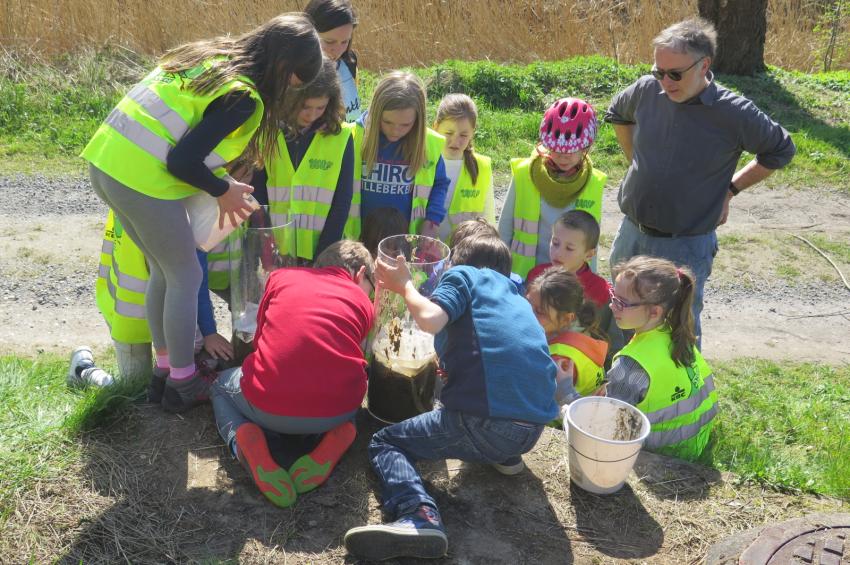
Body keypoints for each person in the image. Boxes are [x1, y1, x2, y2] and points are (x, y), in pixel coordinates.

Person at [80, 14, 322, 413]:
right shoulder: (244, 97)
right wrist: (223, 190)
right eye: (296, 82)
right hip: (139, 176)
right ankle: (183, 381)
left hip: (107, 162)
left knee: (164, 270)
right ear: (283, 68)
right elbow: (183, 160)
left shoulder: (209, 58)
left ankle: (163, 372)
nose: (292, 91)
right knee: (186, 275)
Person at [344, 234, 557, 561]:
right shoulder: (517, 297)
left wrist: (405, 286)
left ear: (455, 262)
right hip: (530, 429)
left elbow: (429, 320)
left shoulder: (465, 275)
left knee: (385, 443)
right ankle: (505, 457)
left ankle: (418, 515)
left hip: (487, 424)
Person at [604, 18, 796, 345]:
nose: (665, 81)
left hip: (684, 244)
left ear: (704, 65)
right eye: (659, 72)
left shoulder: (735, 113)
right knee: (622, 313)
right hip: (632, 232)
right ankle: (618, 385)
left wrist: (731, 190)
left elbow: (780, 150)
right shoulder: (646, 90)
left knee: (677, 324)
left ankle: (681, 393)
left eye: (675, 74)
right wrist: (637, 160)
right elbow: (619, 115)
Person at [211, 240, 375, 508]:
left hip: (268, 405)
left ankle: (243, 441)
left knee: (219, 385)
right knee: (349, 389)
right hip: (337, 410)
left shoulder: (281, 278)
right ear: (359, 274)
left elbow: (260, 339)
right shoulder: (362, 302)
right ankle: (340, 434)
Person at [68, 212, 233, 392]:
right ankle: (83, 370)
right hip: (131, 316)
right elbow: (189, 277)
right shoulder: (178, 209)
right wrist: (207, 333)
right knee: (134, 389)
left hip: (151, 307)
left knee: (161, 382)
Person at [605, 256, 718, 462]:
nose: (612, 306)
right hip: (696, 444)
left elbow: (610, 427)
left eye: (621, 302)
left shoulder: (630, 365)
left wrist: (568, 396)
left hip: (659, 456)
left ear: (654, 311)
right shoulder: (675, 333)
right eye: (613, 295)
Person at [250, 57, 354, 262]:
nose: (312, 115)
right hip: (276, 250)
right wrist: (265, 244)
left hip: (320, 251)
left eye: (320, 107)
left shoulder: (341, 138)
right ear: (289, 98)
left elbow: (341, 202)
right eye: (305, 107)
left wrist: (324, 254)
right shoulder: (266, 133)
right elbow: (258, 194)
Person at [498, 97, 607, 280]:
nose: (563, 158)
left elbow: (591, 243)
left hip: (566, 281)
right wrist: (499, 269)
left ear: (586, 147)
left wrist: (590, 280)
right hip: (522, 276)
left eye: (571, 151)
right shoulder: (525, 173)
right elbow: (505, 226)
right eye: (557, 150)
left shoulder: (593, 183)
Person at [347, 71, 449, 240]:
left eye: (405, 125)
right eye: (387, 122)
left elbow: (440, 183)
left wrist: (432, 221)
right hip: (358, 239)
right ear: (376, 112)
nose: (395, 131)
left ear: (418, 120)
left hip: (406, 241)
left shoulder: (429, 144)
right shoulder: (353, 136)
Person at [526, 266, 607, 403]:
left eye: (540, 312)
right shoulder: (581, 330)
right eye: (527, 304)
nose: (528, 313)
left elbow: (536, 403)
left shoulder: (560, 359)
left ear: (566, 318)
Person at [432, 93, 495, 242]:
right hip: (424, 254)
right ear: (436, 127)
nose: (455, 141)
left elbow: (489, 219)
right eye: (449, 133)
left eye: (463, 135)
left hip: (464, 257)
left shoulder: (482, 168)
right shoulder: (424, 162)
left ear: (472, 133)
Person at [525, 210, 609, 306]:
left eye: (569, 248)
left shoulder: (599, 289)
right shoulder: (536, 275)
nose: (558, 253)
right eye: (555, 243)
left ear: (589, 254)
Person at [304, 0, 362, 121]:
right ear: (308, 32)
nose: (337, 50)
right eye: (329, 42)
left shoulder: (349, 62)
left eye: (345, 41)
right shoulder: (297, 73)